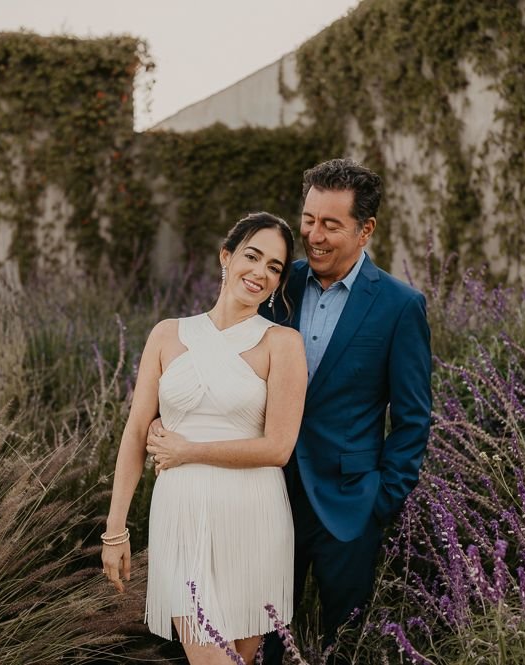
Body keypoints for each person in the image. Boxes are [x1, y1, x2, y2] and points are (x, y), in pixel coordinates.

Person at [101, 212, 307, 665]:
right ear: (226, 256)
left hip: (254, 517)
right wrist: (115, 530)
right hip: (182, 515)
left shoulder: (282, 343)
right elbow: (136, 432)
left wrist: (188, 449)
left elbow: (278, 448)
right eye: (252, 256)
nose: (260, 272)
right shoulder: (167, 334)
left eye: (274, 267)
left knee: (239, 660)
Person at [261, 158, 433, 663]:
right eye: (308, 219)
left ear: (366, 230)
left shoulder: (400, 306)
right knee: (262, 636)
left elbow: (413, 419)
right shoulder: (278, 284)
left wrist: (380, 501)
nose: (313, 235)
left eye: (331, 225)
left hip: (350, 508)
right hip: (267, 496)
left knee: (346, 647)